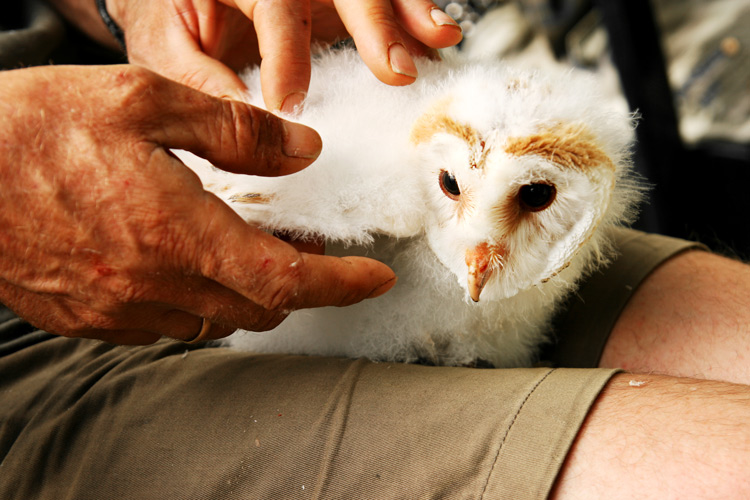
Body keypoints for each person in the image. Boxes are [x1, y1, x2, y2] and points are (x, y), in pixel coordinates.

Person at [1, 1, 749, 499]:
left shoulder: (472, 192)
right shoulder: (374, 187)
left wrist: (130, 6)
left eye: (536, 198)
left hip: (123, 106)